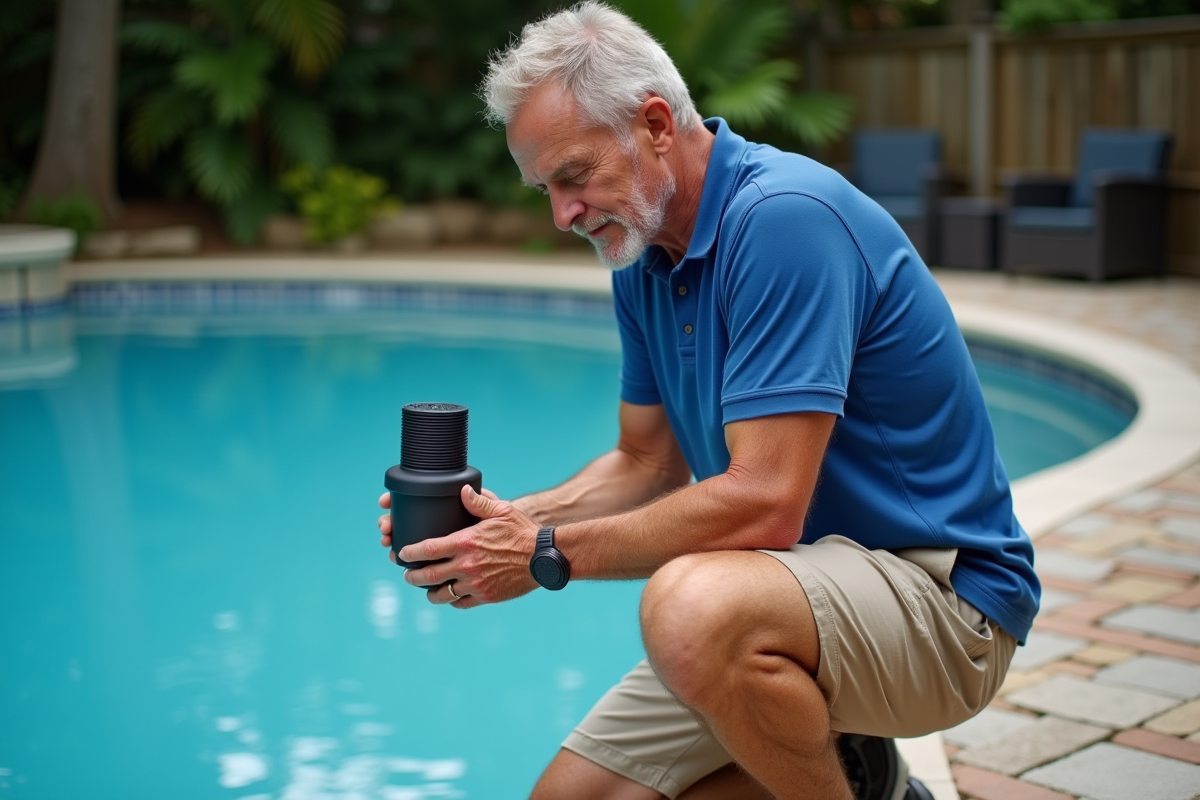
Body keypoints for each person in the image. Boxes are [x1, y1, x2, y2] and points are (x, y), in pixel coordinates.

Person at [377, 3, 1040, 799]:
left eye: (574, 177)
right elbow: (646, 463)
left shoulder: (784, 219)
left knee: (689, 608)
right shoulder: (644, 251)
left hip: (941, 604)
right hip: (793, 596)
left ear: (655, 124)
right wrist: (501, 527)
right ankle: (874, 782)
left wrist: (546, 555)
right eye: (544, 189)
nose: (562, 215)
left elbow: (765, 504)